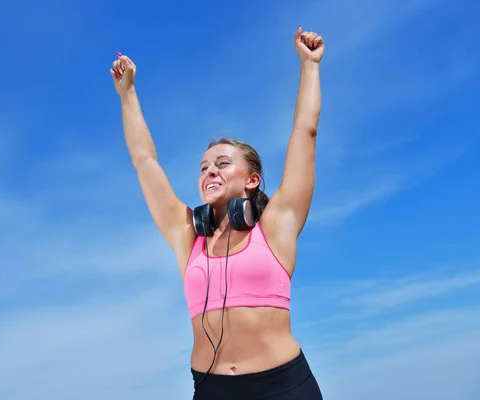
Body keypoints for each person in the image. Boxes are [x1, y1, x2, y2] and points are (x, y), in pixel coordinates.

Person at [110, 26, 324, 400]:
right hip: (211, 390)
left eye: (223, 164)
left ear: (252, 180)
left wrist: (309, 66)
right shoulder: (187, 236)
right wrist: (127, 95)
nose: (210, 171)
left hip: (284, 388)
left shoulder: (276, 227)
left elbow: (304, 132)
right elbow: (145, 162)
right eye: (204, 167)